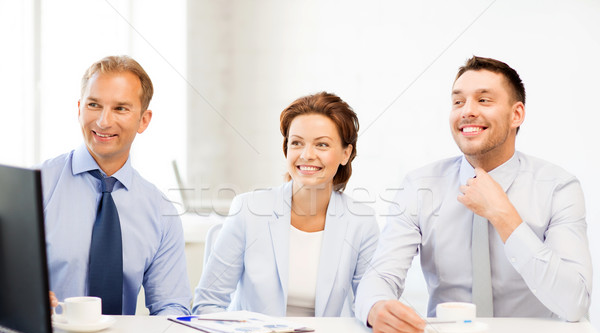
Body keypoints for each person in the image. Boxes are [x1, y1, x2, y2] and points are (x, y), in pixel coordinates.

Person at [355, 56, 592, 333]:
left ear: (516, 114)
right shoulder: (419, 186)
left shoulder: (559, 188)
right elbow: (379, 276)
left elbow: (574, 303)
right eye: (458, 102)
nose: (467, 111)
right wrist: (376, 307)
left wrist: (504, 215)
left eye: (483, 100)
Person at [193, 92, 379, 317]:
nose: (307, 155)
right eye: (297, 143)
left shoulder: (361, 221)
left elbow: (372, 301)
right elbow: (207, 303)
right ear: (286, 149)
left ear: (345, 154)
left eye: (321, 144)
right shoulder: (248, 210)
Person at [41, 55, 191, 315]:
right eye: (94, 105)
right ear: (79, 109)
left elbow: (171, 307)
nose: (103, 121)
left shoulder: (161, 212)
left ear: (144, 120)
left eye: (120, 108)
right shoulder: (35, 187)